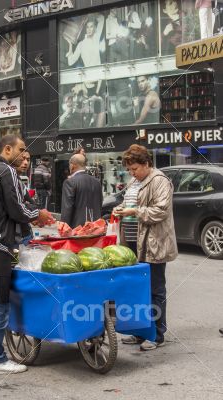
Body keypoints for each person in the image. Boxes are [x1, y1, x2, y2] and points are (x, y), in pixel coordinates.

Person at [0, 134, 51, 374]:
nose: (25, 155)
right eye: (22, 150)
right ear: (8, 149)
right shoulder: (7, 171)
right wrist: (39, 214)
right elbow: (17, 208)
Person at [116, 144, 178, 351]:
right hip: (132, 243)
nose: (132, 173)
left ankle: (157, 334)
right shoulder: (135, 181)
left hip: (153, 244)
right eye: (129, 170)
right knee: (135, 290)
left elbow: (160, 211)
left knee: (155, 291)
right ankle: (139, 332)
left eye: (134, 168)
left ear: (146, 164)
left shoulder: (160, 181)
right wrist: (122, 209)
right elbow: (129, 204)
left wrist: (134, 211)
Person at [61, 154, 103, 228]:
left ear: (72, 165)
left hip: (78, 230)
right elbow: (100, 204)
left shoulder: (70, 182)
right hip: (96, 228)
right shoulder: (97, 182)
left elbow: (67, 209)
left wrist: (63, 227)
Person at [15, 151, 36, 246]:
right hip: (16, 238)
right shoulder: (10, 180)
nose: (26, 163)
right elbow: (17, 208)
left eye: (28, 159)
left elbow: (31, 202)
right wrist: (37, 214)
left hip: (25, 234)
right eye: (22, 159)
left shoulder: (19, 181)